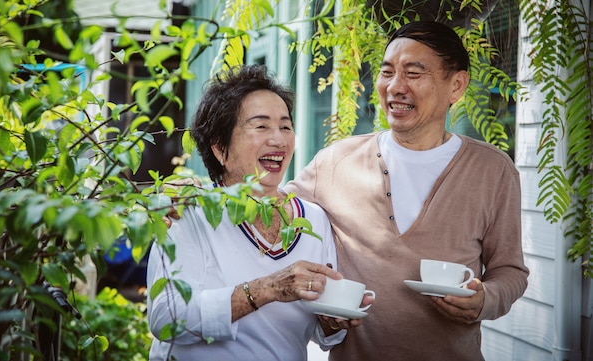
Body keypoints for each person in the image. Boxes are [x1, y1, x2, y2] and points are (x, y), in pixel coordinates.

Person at [286, 21, 529, 361]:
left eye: (413, 74)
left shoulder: (492, 170)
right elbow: (273, 215)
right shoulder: (336, 162)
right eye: (387, 72)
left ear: (456, 86)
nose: (394, 87)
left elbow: (510, 271)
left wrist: (484, 299)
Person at [146, 64, 368, 361]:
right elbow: (166, 318)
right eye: (261, 126)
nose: (279, 139)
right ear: (220, 148)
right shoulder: (189, 211)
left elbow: (321, 333)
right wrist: (267, 289)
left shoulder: (313, 219)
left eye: (286, 126)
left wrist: (330, 322)